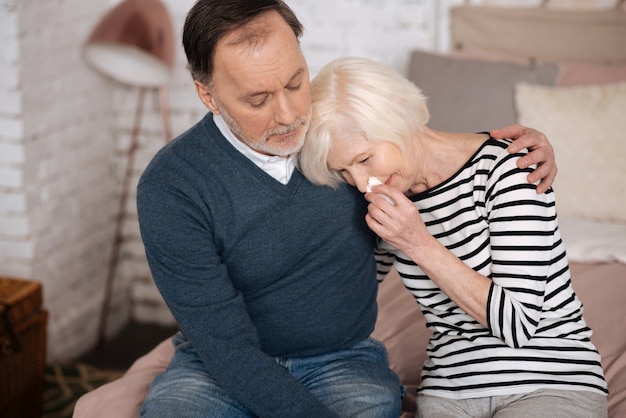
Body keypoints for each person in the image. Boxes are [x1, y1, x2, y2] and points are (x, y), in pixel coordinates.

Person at [136, 1, 558, 417]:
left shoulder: (338, 139)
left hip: (339, 362)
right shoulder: (172, 187)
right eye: (258, 99)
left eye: (296, 83)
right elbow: (223, 346)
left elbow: (411, 146)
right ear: (208, 96)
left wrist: (507, 151)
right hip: (219, 368)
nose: (288, 115)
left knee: (371, 405)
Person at [297, 56, 608, 418]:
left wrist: (417, 242)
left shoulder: (509, 167)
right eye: (344, 171)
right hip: (449, 392)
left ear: (401, 116)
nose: (363, 183)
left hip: (550, 381)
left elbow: (518, 323)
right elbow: (346, 296)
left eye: (365, 158)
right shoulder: (382, 200)